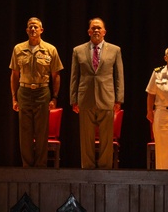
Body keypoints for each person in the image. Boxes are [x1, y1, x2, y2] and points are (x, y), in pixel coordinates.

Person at [70, 17, 124, 169]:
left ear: (104, 32)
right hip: (85, 98)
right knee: (86, 138)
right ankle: (87, 169)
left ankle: (105, 170)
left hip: (107, 98)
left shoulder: (115, 50)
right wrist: (73, 99)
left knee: (106, 138)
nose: (96, 30)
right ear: (88, 32)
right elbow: (74, 76)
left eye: (99, 28)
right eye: (93, 28)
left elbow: (119, 76)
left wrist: (119, 99)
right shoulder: (78, 50)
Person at [10, 17, 64, 168]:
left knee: (41, 132)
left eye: (36, 27)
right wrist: (14, 97)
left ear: (41, 30)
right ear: (27, 30)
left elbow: (56, 75)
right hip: (24, 91)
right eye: (30, 27)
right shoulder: (18, 49)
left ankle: (40, 167)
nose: (33, 29)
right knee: (25, 132)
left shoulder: (50, 49)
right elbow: (14, 75)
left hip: (42, 92)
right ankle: (27, 166)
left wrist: (54, 97)